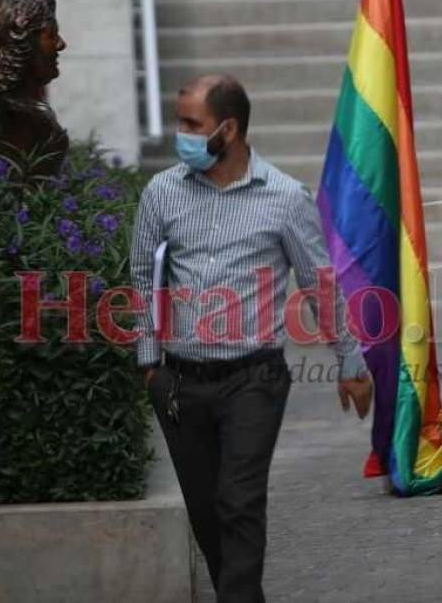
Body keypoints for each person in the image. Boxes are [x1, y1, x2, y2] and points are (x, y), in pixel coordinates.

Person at [130, 74, 373, 602]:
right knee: (205, 511)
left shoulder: (284, 198)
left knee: (238, 500)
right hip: (179, 383)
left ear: (229, 129)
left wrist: (350, 364)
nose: (182, 135)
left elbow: (318, 284)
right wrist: (150, 365)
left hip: (254, 379)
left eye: (193, 124)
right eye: (181, 122)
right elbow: (142, 281)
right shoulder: (160, 193)